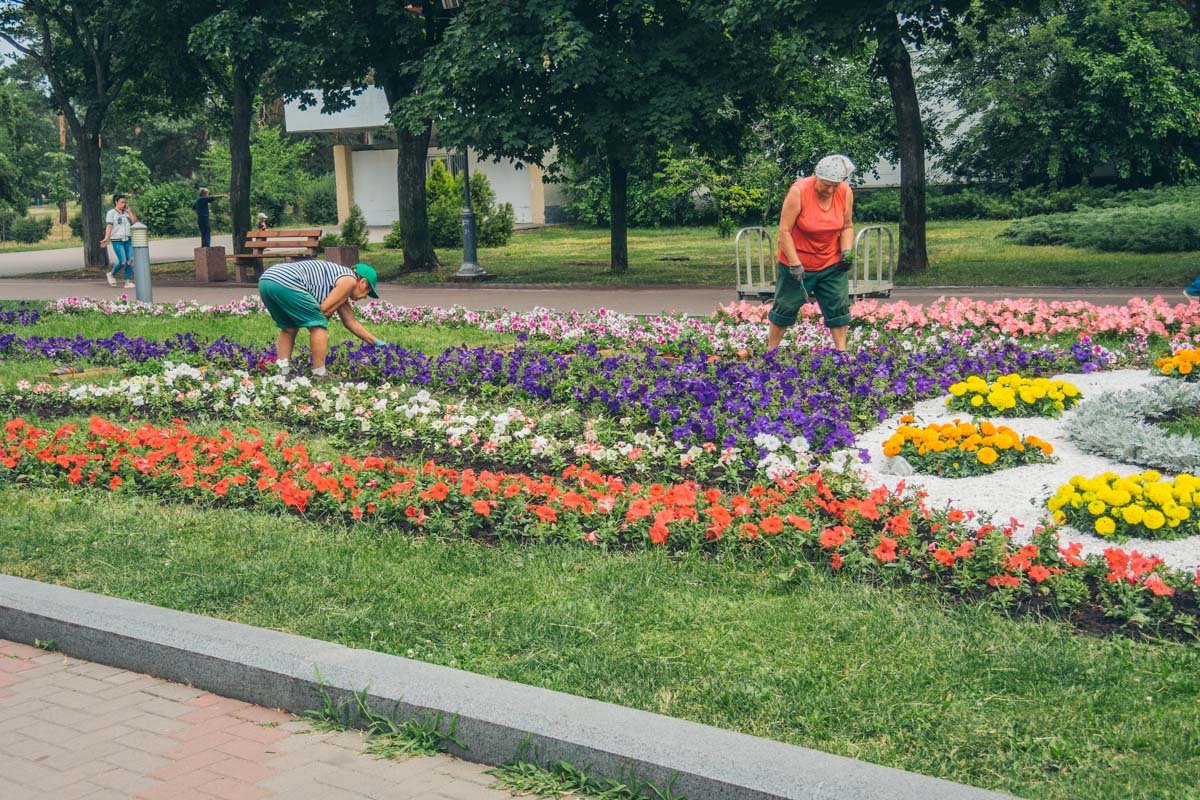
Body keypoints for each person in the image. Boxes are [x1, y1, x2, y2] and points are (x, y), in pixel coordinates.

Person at [766, 154, 856, 352]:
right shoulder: (799, 191)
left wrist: (847, 252)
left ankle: (842, 352)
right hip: (798, 262)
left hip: (831, 262)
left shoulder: (844, 192)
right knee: (785, 307)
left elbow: (847, 226)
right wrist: (794, 263)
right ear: (816, 176)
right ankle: (771, 352)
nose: (830, 190)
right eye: (826, 184)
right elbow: (784, 231)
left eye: (835, 185)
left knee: (838, 306)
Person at [258, 259, 384, 381]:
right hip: (287, 280)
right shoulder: (349, 280)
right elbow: (324, 311)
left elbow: (350, 321)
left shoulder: (339, 280)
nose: (366, 296)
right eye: (368, 291)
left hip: (267, 280)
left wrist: (376, 342)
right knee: (318, 324)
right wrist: (317, 323)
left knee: (288, 328)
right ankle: (320, 373)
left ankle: (282, 372)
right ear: (362, 282)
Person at [100, 193, 137, 288]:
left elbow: (134, 222)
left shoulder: (125, 213)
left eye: (125, 202)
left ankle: (127, 282)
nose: (124, 204)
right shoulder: (111, 213)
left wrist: (129, 212)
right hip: (117, 240)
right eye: (122, 202)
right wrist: (106, 238)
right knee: (122, 261)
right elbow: (109, 225)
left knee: (130, 260)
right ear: (116, 202)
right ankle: (111, 274)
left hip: (128, 239)